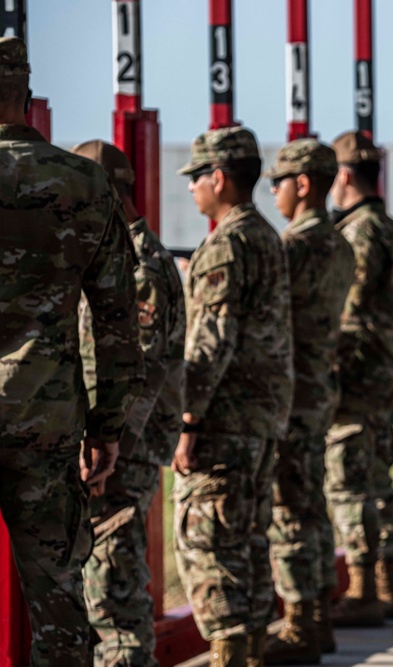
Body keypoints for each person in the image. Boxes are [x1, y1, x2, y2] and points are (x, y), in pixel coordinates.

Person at [0, 37, 143, 667]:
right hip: (47, 419)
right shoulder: (84, 182)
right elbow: (117, 319)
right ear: (25, 98)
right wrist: (106, 429)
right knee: (59, 598)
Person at [172, 126, 294, 666]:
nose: (193, 188)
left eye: (197, 178)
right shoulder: (264, 235)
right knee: (245, 539)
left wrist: (189, 420)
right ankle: (248, 653)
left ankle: (229, 655)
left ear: (219, 178)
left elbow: (211, 339)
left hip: (225, 420)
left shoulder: (225, 243)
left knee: (208, 544)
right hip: (262, 416)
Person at [73, 140, 186, 667]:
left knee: (114, 583)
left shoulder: (137, 260)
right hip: (120, 444)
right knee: (107, 575)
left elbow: (140, 366)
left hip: (123, 448)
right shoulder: (123, 253)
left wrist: (105, 442)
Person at [261, 138, 353, 663]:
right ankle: (317, 611)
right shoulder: (340, 244)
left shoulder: (292, 248)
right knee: (312, 501)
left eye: (279, 182)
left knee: (290, 508)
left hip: (290, 390)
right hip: (320, 383)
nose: (273, 191)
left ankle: (300, 621)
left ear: (302, 185)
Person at [328, 129, 393, 623]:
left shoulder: (355, 234)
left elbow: (349, 310)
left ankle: (363, 587)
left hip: (352, 369)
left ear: (344, 176)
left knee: (347, 478)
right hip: (384, 364)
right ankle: (384, 581)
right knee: (378, 474)